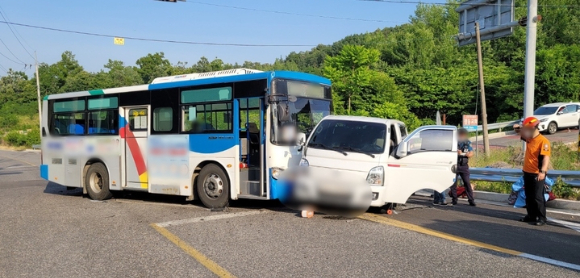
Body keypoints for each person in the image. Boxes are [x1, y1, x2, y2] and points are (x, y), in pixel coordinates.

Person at [513, 117, 551, 226]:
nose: (526, 131)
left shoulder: (543, 141)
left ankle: (542, 217)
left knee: (537, 196)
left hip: (537, 172)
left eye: (527, 128)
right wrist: (518, 127)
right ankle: (531, 215)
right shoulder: (529, 138)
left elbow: (545, 158)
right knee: (529, 196)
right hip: (527, 172)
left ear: (534, 128)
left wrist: (542, 171)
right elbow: (518, 131)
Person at [451, 128, 476, 206]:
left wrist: (463, 154)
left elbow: (471, 153)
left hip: (464, 165)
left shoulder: (467, 142)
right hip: (455, 165)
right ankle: (454, 199)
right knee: (453, 183)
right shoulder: (454, 142)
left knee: (467, 183)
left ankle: (471, 200)